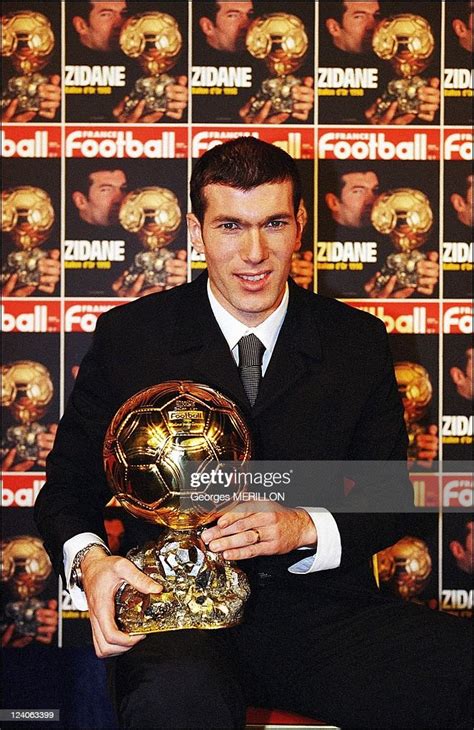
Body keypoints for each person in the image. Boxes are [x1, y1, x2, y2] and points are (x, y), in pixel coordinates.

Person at [35, 138, 471, 729]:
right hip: (176, 612)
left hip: (321, 613)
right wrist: (91, 564)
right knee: (178, 697)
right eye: (231, 226)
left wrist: (302, 526)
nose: (255, 252)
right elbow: (65, 489)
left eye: (273, 223)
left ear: (300, 226)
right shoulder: (132, 336)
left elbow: (385, 494)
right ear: (196, 232)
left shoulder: (357, 341)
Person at [319, 165, 440, 298]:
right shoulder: (315, 240)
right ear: (333, 202)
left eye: (374, 190)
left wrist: (426, 276)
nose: (371, 200)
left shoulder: (395, 234)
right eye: (358, 191)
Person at [67, 164, 186, 297]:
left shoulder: (144, 233)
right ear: (81, 201)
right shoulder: (61, 245)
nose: (120, 198)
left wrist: (181, 280)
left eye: (122, 189)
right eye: (106, 190)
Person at [319, 1, 441, 125]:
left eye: (376, 16)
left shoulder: (396, 60)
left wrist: (428, 104)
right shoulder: (315, 69)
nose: (372, 26)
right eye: (359, 17)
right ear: (334, 27)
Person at [194, 1, 314, 124]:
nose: (246, 25)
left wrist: (301, 103)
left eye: (249, 15)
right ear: (207, 26)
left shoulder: (269, 60)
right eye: (233, 16)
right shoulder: (190, 67)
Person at [67, 0, 187, 123]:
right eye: (106, 15)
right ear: (81, 25)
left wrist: (175, 100)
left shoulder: (143, 58)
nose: (120, 24)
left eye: (123, 14)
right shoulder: (63, 68)